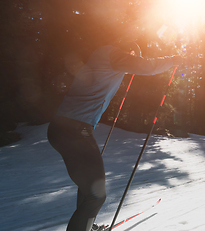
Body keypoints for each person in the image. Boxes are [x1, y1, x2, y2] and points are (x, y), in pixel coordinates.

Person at [47, 41, 182, 231]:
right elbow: (146, 66)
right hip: (74, 130)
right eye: (134, 55)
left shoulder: (102, 58)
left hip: (65, 129)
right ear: (129, 50)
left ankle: (86, 225)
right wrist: (174, 60)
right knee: (97, 195)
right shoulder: (112, 55)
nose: (132, 61)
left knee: (88, 187)